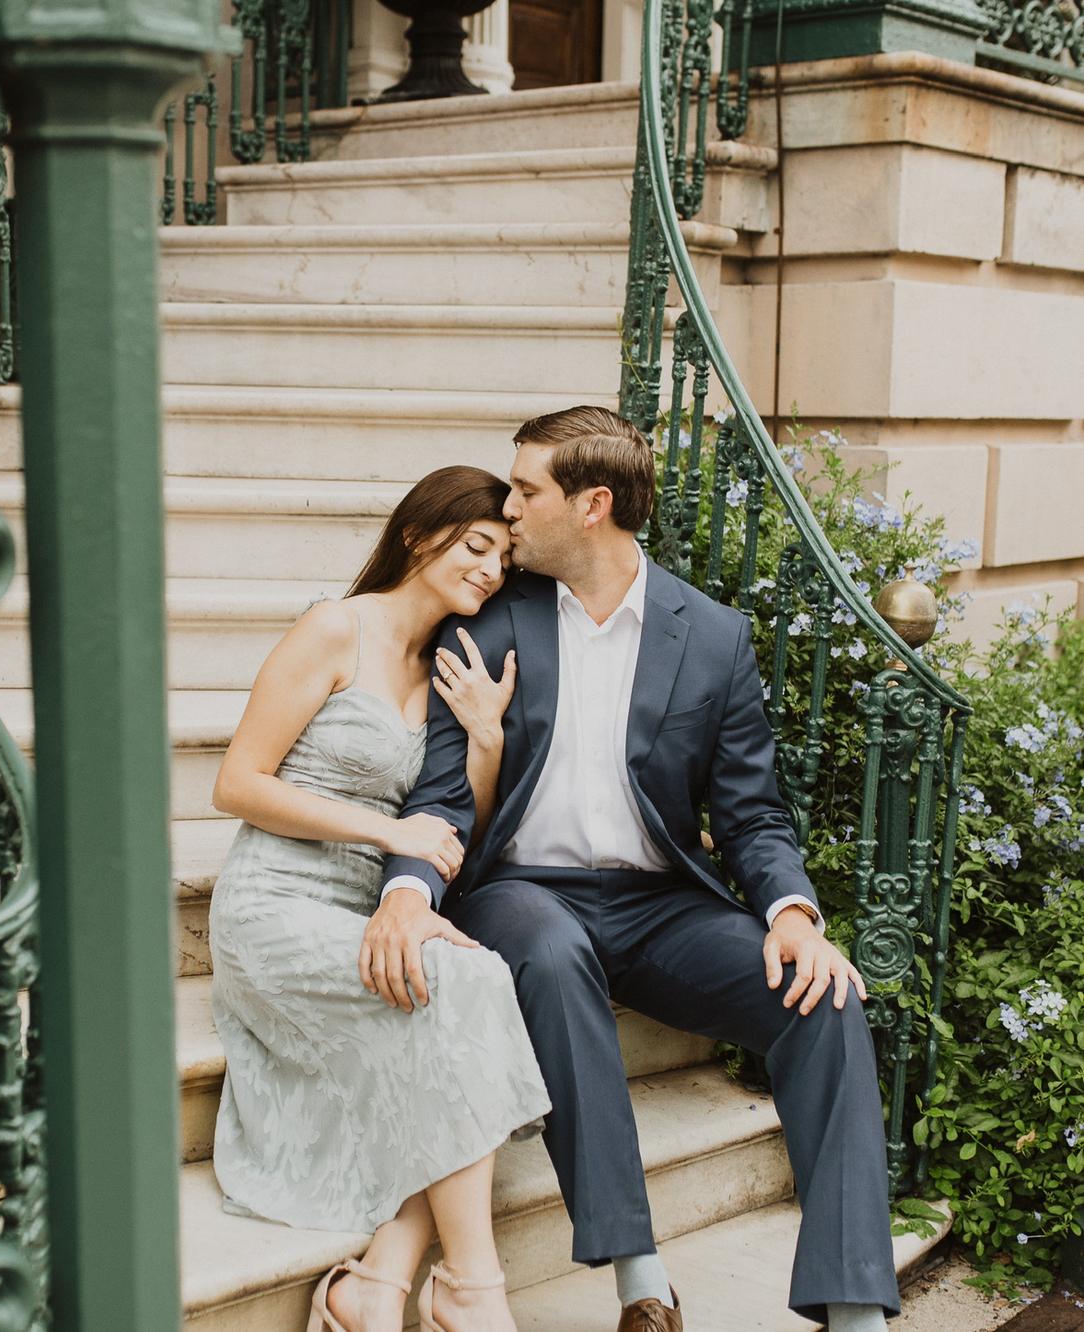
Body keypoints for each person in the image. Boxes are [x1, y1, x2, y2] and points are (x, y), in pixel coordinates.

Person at [369, 406, 899, 1332]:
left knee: (826, 999)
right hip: (525, 893)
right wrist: (409, 893)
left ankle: (857, 1310)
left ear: (593, 506)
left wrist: (792, 913)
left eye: (526, 490)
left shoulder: (713, 637)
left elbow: (751, 812)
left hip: (662, 907)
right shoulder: (490, 622)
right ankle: (641, 1284)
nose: (508, 509)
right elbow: (443, 794)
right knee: (551, 953)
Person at [208, 465, 551, 1332]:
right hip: (274, 904)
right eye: (476, 546)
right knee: (460, 1004)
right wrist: (384, 831)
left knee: (471, 988)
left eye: (504, 558)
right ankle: (472, 1289)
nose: (491, 570)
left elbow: (453, 826)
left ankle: (379, 1285)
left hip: (363, 910)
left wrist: (484, 739)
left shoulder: (448, 667)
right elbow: (237, 783)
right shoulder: (335, 627)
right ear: (417, 534)